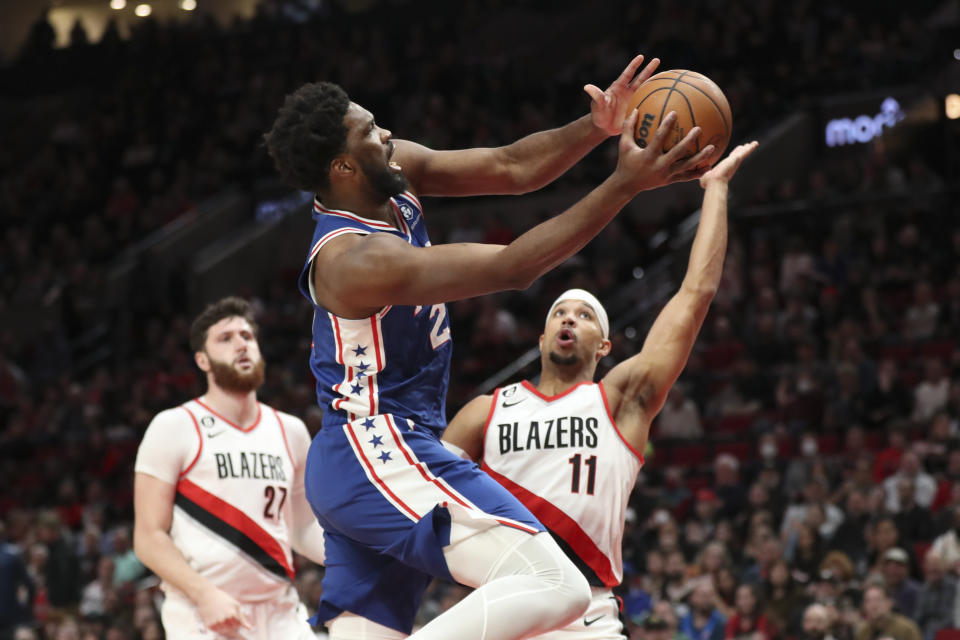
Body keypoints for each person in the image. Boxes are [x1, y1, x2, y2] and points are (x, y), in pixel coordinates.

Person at [264, 54, 718, 640]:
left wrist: (597, 127)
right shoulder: (352, 261)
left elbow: (512, 166)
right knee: (558, 586)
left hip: (371, 457)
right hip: (377, 448)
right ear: (344, 166)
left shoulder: (390, 175)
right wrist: (624, 184)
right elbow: (514, 266)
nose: (387, 134)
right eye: (370, 131)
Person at [442, 141, 758, 638]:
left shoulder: (620, 400)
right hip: (503, 606)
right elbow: (421, 501)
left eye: (585, 314)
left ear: (604, 345)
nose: (570, 316)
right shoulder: (486, 411)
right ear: (543, 338)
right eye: (560, 313)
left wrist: (715, 190)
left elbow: (694, 294)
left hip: (586, 613)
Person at [132, 297, 326, 639]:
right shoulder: (175, 426)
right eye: (226, 338)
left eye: (247, 336)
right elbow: (148, 537)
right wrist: (203, 593)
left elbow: (304, 524)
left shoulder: (290, 430)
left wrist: (354, 558)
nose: (241, 344)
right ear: (202, 360)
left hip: (280, 610)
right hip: (204, 611)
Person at [853, 584, 921, 640]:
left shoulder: (906, 629)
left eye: (878, 600)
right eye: (868, 601)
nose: (873, 605)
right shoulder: (862, 631)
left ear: (889, 603)